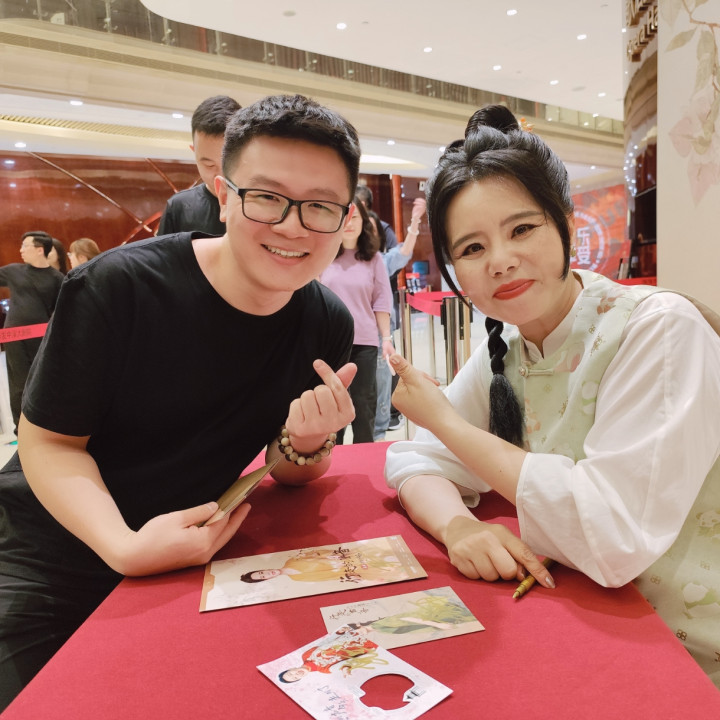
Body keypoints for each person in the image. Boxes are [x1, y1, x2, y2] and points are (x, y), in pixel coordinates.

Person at [0, 93, 362, 710]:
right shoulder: (118, 287)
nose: (292, 226)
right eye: (267, 197)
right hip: (51, 555)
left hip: (194, 556)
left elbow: (294, 471)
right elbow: (50, 443)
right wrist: (124, 546)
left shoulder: (326, 319)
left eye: (320, 206)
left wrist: (305, 443)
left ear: (345, 217)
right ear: (223, 195)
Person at [384, 104, 720, 686]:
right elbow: (416, 460)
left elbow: (613, 534)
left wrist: (447, 423)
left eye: (522, 229)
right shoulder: (506, 350)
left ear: (565, 224)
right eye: (471, 249)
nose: (501, 261)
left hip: (689, 645)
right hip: (584, 623)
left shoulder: (657, 328)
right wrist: (458, 528)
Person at [319, 199, 393, 443]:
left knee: (364, 403)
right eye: (345, 217)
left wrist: (387, 338)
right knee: (333, 404)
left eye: (356, 218)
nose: (350, 223)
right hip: (330, 343)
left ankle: (364, 454)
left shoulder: (374, 259)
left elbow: (381, 301)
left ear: (365, 222)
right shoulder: (323, 255)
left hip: (365, 342)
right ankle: (334, 454)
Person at [373, 198, 426, 440]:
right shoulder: (336, 261)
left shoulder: (380, 261)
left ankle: (379, 435)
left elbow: (404, 252)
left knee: (381, 388)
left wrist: (415, 221)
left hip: (378, 336)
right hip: (348, 337)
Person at [0, 232, 64, 434]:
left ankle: (47, 429)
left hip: (41, 337)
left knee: (42, 381)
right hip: (15, 337)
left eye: (25, 246)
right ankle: (21, 431)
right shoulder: (13, 270)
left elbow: (61, 310)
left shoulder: (57, 278)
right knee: (18, 384)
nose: (21, 250)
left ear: (39, 249)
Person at [158, 95, 241, 236]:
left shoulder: (263, 201)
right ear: (194, 152)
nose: (220, 176)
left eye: (228, 163)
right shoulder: (179, 207)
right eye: (209, 165)